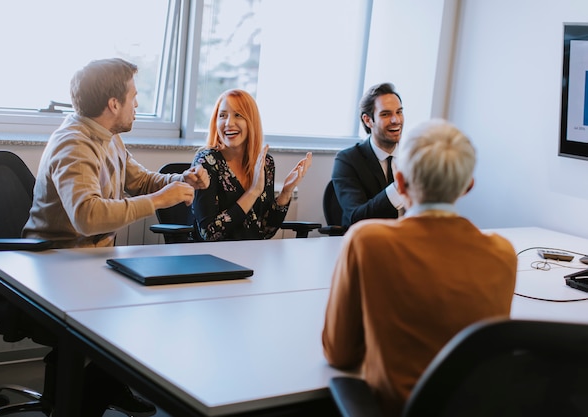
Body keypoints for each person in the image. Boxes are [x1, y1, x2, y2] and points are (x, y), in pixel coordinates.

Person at [23, 58, 209, 416]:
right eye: (133, 97)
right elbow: (87, 216)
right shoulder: (74, 144)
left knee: (165, 301)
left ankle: (98, 388)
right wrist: (156, 202)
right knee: (142, 315)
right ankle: (82, 398)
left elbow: (142, 181)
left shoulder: (108, 138)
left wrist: (181, 180)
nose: (137, 104)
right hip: (56, 266)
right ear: (113, 104)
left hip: (89, 264)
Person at [322, 119, 517, 417]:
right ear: (468, 186)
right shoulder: (503, 253)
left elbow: (340, 354)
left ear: (399, 183)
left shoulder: (367, 240)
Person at [192, 89, 312, 241]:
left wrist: (286, 192)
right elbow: (208, 233)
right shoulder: (206, 161)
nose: (229, 123)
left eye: (238, 115)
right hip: (213, 258)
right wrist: (253, 192)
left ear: (251, 122)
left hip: (253, 254)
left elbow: (266, 230)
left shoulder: (265, 163)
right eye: (222, 115)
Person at [331, 82, 405, 228]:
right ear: (368, 120)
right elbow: (356, 217)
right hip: (369, 243)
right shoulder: (348, 160)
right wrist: (400, 187)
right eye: (385, 114)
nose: (396, 120)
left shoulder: (414, 157)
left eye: (399, 112)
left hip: (409, 241)